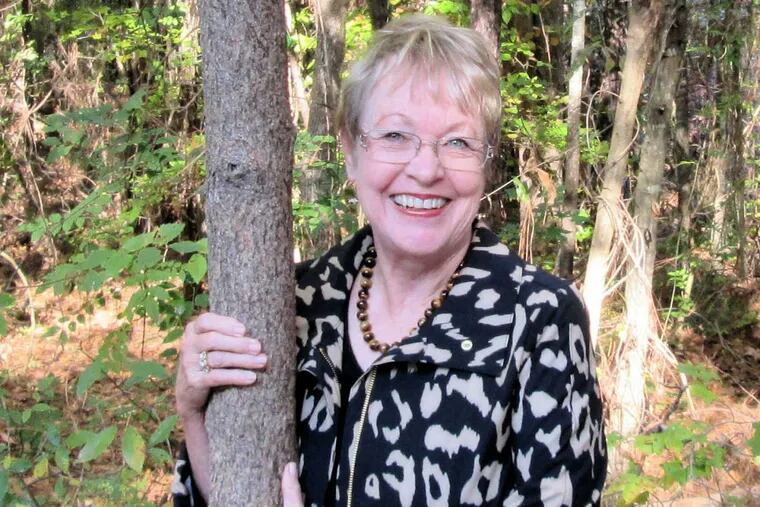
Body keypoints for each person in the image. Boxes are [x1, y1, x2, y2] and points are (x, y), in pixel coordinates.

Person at [173, 14, 607, 507]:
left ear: (485, 164)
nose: (425, 169)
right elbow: (227, 492)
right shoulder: (295, 300)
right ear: (350, 151)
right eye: (396, 136)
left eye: (458, 142)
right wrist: (194, 413)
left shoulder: (538, 319)